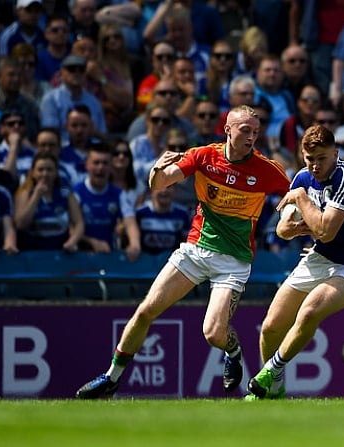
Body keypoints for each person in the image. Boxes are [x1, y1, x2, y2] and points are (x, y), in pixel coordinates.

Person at [75, 105, 290, 399]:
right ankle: (111, 378)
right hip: (195, 250)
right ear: (228, 130)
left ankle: (233, 350)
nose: (252, 136)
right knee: (145, 311)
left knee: (214, 333)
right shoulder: (204, 156)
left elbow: (293, 194)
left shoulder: (267, 170)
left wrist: (294, 215)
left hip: (233, 260)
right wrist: (156, 169)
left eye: (255, 131)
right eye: (245, 130)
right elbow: (159, 183)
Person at [245, 124, 344, 400]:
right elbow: (282, 230)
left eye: (322, 158)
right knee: (271, 326)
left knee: (308, 313)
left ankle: (269, 372)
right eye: (310, 160)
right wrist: (300, 222)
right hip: (320, 258)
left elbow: (325, 231)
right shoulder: (303, 179)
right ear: (302, 156)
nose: (316, 166)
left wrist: (303, 201)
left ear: (335, 153)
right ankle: (275, 388)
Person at [14, 151, 84, 251]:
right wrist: (36, 196)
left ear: (56, 172)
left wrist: (72, 242)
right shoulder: (25, 192)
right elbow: (20, 224)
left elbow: (79, 223)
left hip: (60, 252)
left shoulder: (65, 190)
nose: (45, 174)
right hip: (32, 254)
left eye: (49, 170)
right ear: (33, 172)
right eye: (40, 170)